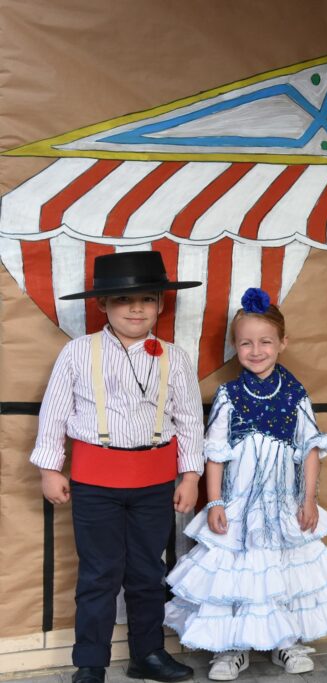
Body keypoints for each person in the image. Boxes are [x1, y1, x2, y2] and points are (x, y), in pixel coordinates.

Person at [165, 287, 327, 681]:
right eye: (246, 343)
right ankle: (232, 647)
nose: (256, 351)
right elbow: (215, 452)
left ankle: (285, 641)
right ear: (235, 346)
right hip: (239, 504)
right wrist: (215, 502)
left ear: (282, 343)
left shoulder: (295, 393)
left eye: (265, 342)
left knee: (282, 572)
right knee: (237, 573)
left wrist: (308, 500)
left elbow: (309, 450)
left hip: (283, 503)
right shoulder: (229, 395)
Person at [31, 251, 205, 683]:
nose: (136, 308)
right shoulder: (77, 352)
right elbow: (54, 414)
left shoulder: (175, 357)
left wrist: (191, 475)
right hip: (96, 482)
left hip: (155, 481)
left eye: (146, 298)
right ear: (103, 305)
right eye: (124, 299)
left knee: (148, 571)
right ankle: (90, 663)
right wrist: (50, 468)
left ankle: (147, 654)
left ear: (161, 304)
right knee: (99, 574)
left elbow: (189, 420)